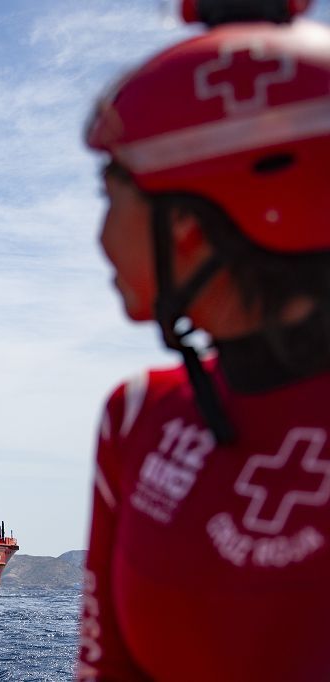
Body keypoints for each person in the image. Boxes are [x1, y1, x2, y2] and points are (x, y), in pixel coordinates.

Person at [78, 0, 330, 679]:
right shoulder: (136, 417)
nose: (99, 238)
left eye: (111, 196)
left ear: (188, 224)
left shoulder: (149, 422)